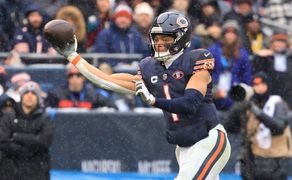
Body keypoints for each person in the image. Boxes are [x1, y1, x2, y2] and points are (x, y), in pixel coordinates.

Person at [50, 11, 231, 179]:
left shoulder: (197, 59)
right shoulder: (148, 67)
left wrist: (153, 100)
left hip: (208, 140)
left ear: (181, 39)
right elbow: (105, 80)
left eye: (166, 38)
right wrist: (74, 57)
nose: (159, 43)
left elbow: (189, 103)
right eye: (156, 37)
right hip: (183, 148)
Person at [224, 72, 292, 180]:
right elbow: (229, 126)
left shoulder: (277, 103)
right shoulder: (249, 104)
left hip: (275, 160)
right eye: (255, 84)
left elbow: (279, 127)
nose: (258, 87)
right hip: (254, 160)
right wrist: (239, 104)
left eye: (261, 84)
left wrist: (256, 111)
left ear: (267, 85)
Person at [0, 81, 54, 180]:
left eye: (33, 93)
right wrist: (27, 148)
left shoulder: (45, 118)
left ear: (38, 98)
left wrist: (17, 137)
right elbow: (3, 141)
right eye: (26, 93)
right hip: (10, 170)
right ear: (21, 96)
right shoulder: (9, 116)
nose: (29, 96)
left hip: (37, 170)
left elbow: (44, 141)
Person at [253, 31, 292, 111]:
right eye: (277, 41)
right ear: (272, 43)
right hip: (272, 96)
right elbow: (257, 72)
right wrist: (259, 57)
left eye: (283, 42)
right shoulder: (266, 57)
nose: (280, 44)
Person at [208, 20, 252, 111]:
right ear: (223, 35)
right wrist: (214, 91)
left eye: (233, 33)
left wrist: (240, 93)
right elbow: (206, 74)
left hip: (233, 96)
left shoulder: (242, 55)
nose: (230, 36)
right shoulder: (213, 51)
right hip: (214, 95)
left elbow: (246, 76)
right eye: (227, 33)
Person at [46, 64, 117, 109]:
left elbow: (113, 108)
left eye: (78, 75)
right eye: (71, 75)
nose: (74, 78)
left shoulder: (93, 95)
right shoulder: (56, 94)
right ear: (67, 78)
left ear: (83, 77)